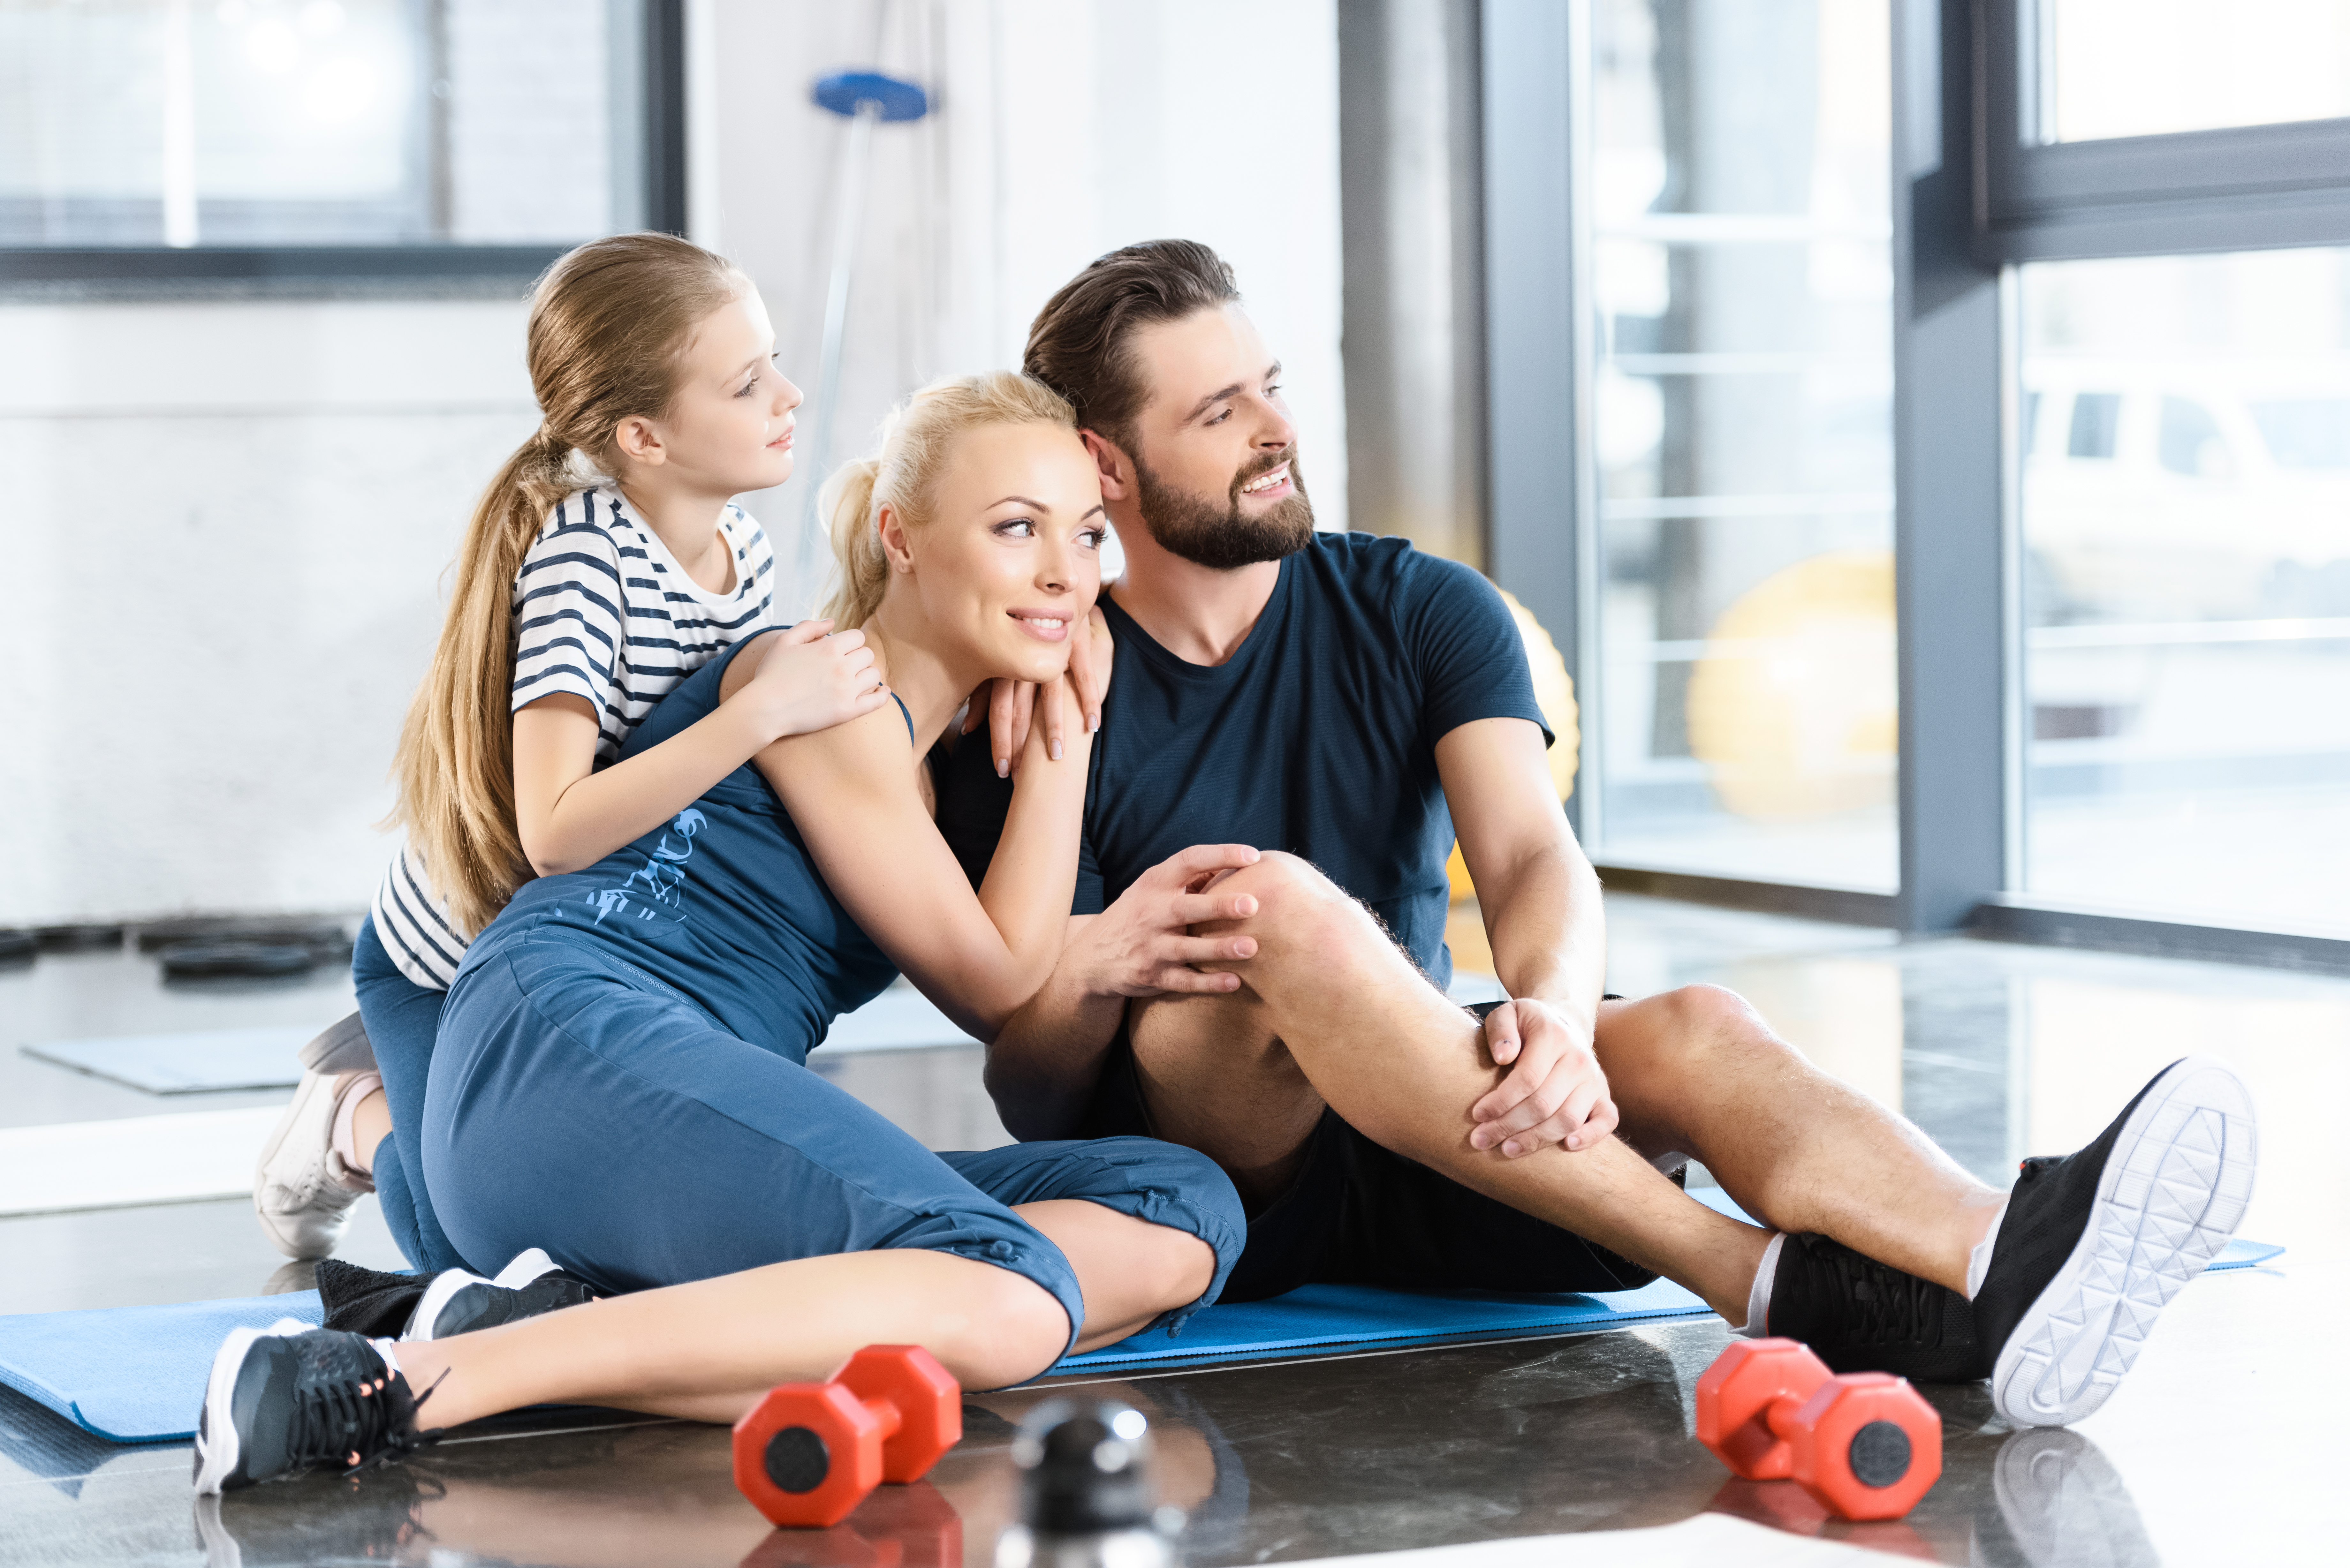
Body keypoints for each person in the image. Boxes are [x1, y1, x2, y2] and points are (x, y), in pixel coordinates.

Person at [939, 240, 2260, 1430]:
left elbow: (1526, 858)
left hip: (1469, 1145)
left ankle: (2001, 1251)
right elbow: (1033, 1082)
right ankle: (1742, 1273)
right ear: (1106, 464)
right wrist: (1109, 949)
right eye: (1219, 411)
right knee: (1270, 905)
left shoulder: (1419, 606)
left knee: (1695, 1022)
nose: (1279, 428)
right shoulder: (1041, 686)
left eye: (1271, 384)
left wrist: (1557, 1018)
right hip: (1226, 1175)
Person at [195, 371, 1248, 1494]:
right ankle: (400, 1379)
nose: (1065, 575)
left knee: (1182, 1207)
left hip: (642, 1128)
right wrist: (1068, 732)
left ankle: (588, 1318)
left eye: (1087, 535)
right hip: (568, 1038)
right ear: (901, 538)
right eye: (1015, 529)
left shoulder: (915, 775)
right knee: (1003, 1289)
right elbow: (999, 983)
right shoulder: (825, 688)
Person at [252, 233, 898, 1273]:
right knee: (454, 1247)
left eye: (772, 358)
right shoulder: (586, 562)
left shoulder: (750, 548)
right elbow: (553, 831)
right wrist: (760, 716)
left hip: (571, 948)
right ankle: (345, 1119)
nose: (787, 393)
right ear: (644, 434)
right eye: (745, 382)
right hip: (445, 959)